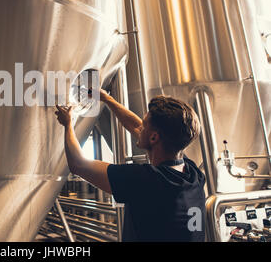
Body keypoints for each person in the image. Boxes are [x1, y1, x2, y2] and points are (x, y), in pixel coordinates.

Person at [54, 89, 206, 241]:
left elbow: (79, 165)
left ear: (154, 137)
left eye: (145, 124)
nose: (140, 127)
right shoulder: (193, 174)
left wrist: (68, 124)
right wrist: (107, 99)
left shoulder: (147, 180)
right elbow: (137, 127)